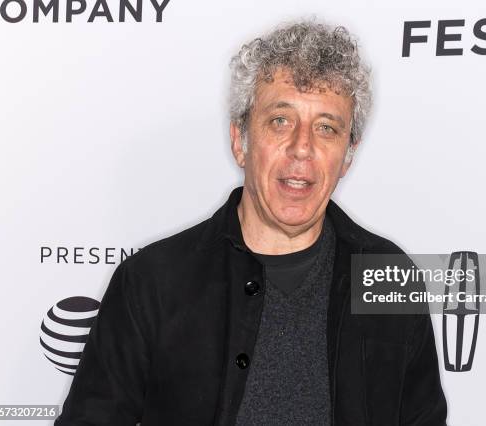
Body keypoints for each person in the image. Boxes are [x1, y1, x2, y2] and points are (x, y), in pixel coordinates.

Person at [55, 19, 447, 426]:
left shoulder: (386, 275)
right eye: (280, 120)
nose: (302, 148)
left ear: (347, 156)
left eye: (327, 128)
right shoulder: (152, 282)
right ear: (240, 140)